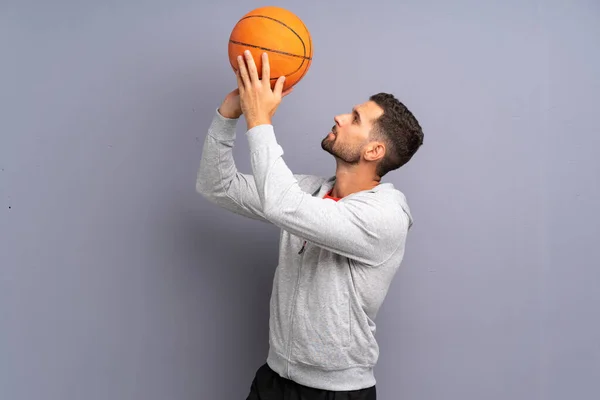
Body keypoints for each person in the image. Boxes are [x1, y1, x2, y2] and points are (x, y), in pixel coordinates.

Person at [196, 50, 424, 400]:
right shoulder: (308, 192)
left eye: (355, 118)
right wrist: (230, 113)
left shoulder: (385, 217)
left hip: (335, 394)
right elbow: (218, 186)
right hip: (273, 379)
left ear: (374, 151)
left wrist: (259, 119)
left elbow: (282, 205)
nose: (340, 117)